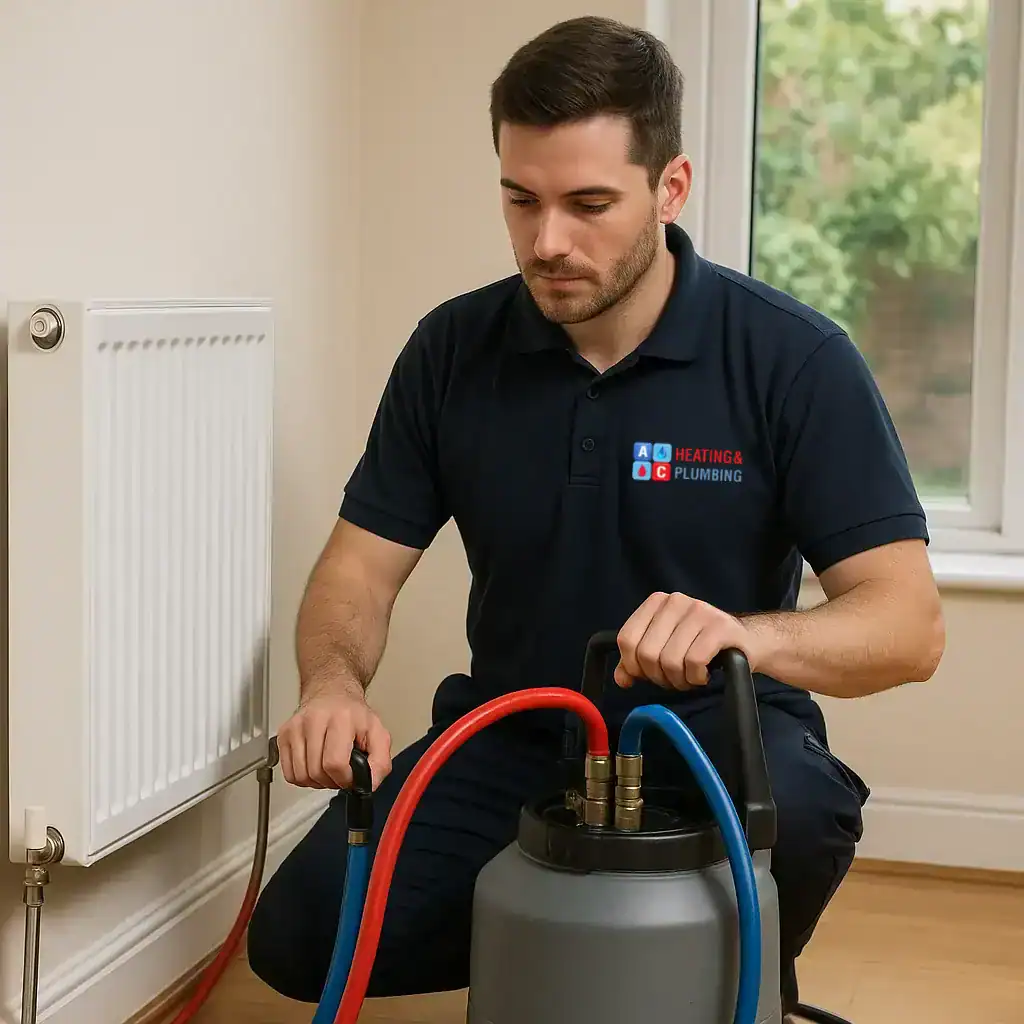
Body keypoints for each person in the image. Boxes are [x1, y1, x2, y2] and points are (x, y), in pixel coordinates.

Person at [247, 14, 945, 1018]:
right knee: (304, 936)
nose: (547, 242)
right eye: (519, 199)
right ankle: (569, 956)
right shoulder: (452, 352)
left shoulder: (791, 359)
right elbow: (358, 570)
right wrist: (329, 683)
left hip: (715, 738)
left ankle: (701, 981)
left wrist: (741, 634)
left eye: (588, 203)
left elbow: (907, 623)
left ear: (670, 188)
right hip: (513, 736)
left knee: (798, 810)